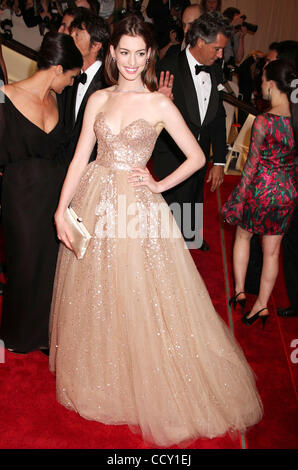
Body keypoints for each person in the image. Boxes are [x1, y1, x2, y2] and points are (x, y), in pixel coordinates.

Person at [49, 14, 262, 447]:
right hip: (95, 201)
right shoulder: (99, 99)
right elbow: (79, 159)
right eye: (123, 52)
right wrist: (60, 210)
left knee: (138, 290)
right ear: (112, 52)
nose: (130, 61)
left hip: (136, 207)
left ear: (150, 54)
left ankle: (146, 374)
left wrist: (157, 183)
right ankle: (108, 367)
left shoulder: (159, 104)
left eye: (139, 53)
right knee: (96, 290)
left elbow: (197, 157)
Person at [0, 32, 82, 354]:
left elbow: (63, 150)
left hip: (54, 197)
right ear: (58, 69)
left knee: (50, 266)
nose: (71, 84)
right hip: (20, 197)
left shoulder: (58, 99)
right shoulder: (5, 96)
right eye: (72, 77)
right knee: (23, 264)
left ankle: (44, 334)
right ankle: (19, 335)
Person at [222, 59, 298, 329]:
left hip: (261, 191)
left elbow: (251, 166)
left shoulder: (265, 121)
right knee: (272, 252)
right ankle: (262, 304)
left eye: (264, 80)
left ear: (273, 85)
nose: (261, 86)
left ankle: (240, 292)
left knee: (243, 237)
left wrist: (237, 200)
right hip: (287, 192)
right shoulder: (296, 119)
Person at [153, 11, 232, 250]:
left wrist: (218, 161)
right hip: (171, 154)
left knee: (195, 197)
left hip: (201, 152)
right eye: (217, 49)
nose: (220, 55)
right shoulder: (168, 67)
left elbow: (218, 116)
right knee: (171, 213)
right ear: (199, 42)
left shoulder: (215, 69)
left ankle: (190, 237)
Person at [59, 8, 109, 164]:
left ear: (95, 46)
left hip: (90, 167)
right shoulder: (67, 76)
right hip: (62, 163)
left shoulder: (107, 84)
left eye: (77, 35)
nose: (70, 37)